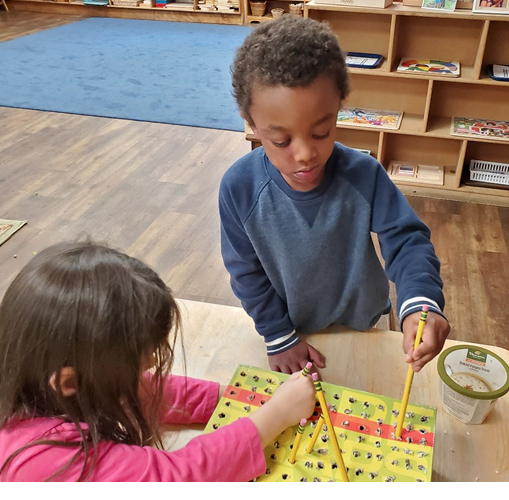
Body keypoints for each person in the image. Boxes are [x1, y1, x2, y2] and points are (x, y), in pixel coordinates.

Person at [219, 16, 450, 375]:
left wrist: (421, 302)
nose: (304, 154)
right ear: (250, 121)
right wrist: (278, 335)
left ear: (339, 106)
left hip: (368, 323)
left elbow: (406, 240)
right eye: (281, 141)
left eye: (321, 132)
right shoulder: (239, 188)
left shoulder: (364, 174)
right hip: (293, 330)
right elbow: (245, 271)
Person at [0, 241, 316, 481]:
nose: (152, 363)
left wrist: (232, 396)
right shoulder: (46, 462)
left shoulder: (35, 376)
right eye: (141, 361)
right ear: (70, 382)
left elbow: (139, 388)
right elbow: (181, 477)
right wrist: (276, 414)